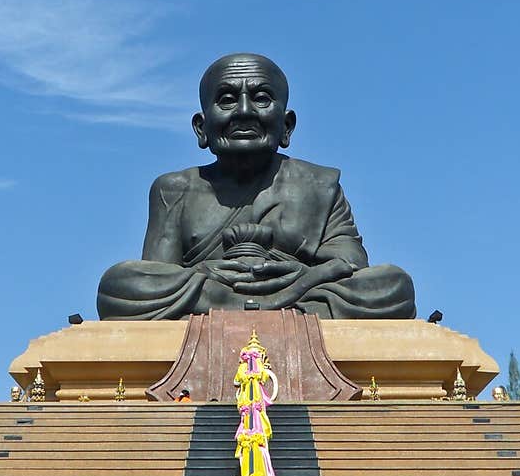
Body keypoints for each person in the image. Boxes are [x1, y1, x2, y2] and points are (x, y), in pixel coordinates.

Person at [97, 52, 416, 321]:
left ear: (287, 126)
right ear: (201, 127)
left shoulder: (319, 184)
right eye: (226, 100)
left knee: (391, 285)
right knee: (119, 283)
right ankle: (265, 309)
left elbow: (351, 263)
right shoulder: (174, 188)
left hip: (298, 289)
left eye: (262, 98)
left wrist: (302, 277)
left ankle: (250, 308)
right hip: (225, 292)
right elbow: (157, 274)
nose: (245, 111)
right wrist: (207, 273)